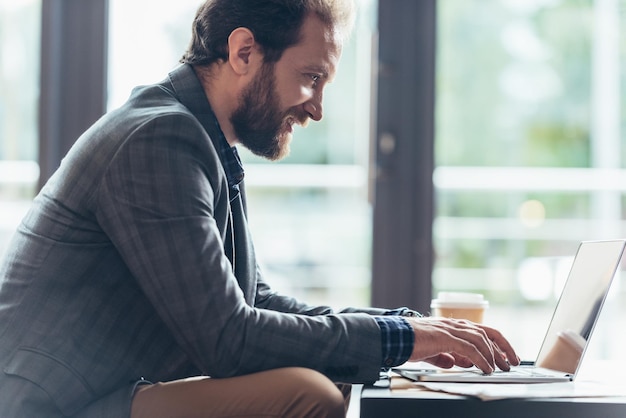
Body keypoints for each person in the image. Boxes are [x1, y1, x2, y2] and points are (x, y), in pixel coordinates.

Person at [0, 0, 519, 417]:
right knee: (306, 393)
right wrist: (399, 341)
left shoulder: (198, 136)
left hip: (108, 391)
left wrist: (406, 329)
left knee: (329, 376)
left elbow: (256, 300)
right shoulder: (160, 139)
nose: (317, 107)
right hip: (56, 406)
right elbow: (229, 339)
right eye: (312, 77)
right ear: (245, 51)